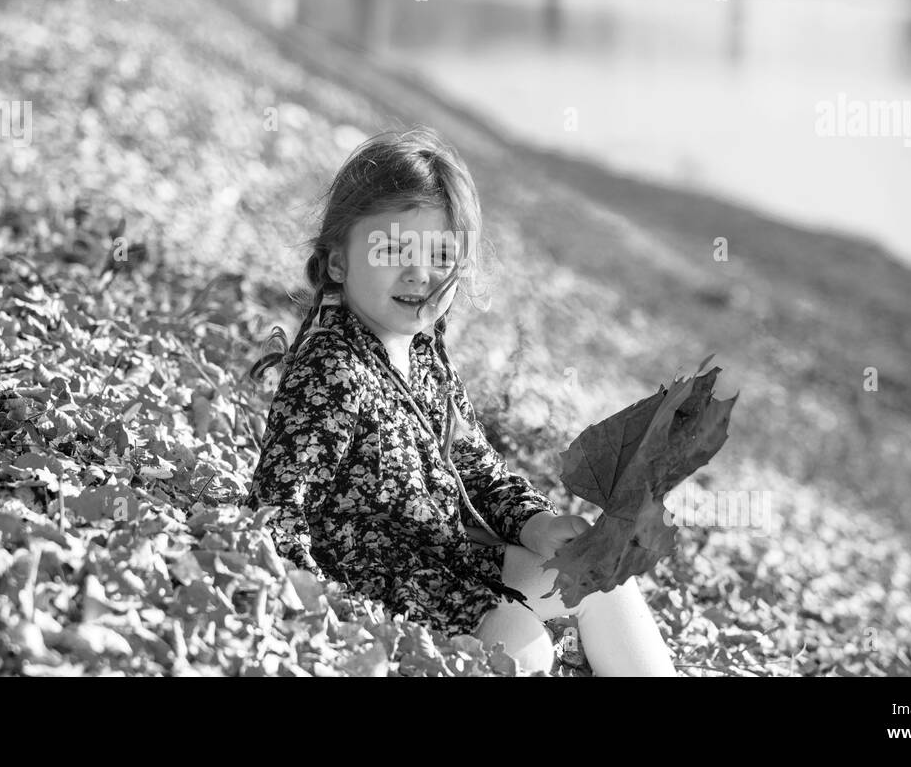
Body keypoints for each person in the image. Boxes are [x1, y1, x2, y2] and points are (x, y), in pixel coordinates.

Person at [245, 127, 677, 677]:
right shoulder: (331, 369)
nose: (419, 273)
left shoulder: (424, 353)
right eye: (393, 249)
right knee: (526, 649)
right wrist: (322, 615)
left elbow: (475, 468)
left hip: (447, 565)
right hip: (378, 592)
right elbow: (278, 509)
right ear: (337, 263)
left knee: (598, 573)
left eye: (440, 253)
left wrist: (532, 525)